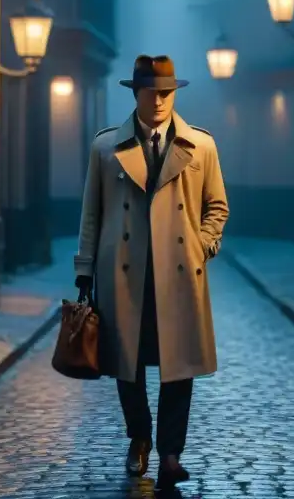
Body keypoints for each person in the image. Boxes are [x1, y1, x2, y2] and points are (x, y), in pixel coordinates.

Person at [74, 54, 229, 489]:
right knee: (128, 365)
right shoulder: (106, 147)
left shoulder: (201, 145)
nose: (160, 101)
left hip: (179, 275)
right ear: (136, 93)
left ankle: (171, 455)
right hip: (125, 275)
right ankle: (139, 437)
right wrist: (85, 268)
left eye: (167, 92)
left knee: (179, 368)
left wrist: (202, 245)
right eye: (151, 92)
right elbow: (92, 212)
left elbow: (217, 206)